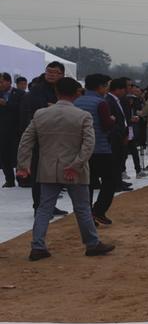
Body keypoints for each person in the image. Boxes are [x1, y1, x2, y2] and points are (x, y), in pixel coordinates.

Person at [16, 77, 115, 261]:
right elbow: (88, 145)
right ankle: (92, 244)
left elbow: (26, 141)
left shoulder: (41, 114)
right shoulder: (83, 116)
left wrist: (23, 165)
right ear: (76, 93)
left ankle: (38, 246)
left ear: (57, 92)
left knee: (44, 208)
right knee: (82, 208)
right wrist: (76, 165)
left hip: (48, 169)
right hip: (74, 169)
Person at [20, 61, 67, 213]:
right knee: (39, 174)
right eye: (49, 72)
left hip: (58, 137)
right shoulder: (37, 89)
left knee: (53, 174)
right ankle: (38, 207)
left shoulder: (62, 88)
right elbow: (39, 111)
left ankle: (49, 205)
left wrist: (53, 106)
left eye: (55, 72)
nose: (51, 75)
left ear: (62, 74)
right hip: (41, 137)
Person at [74, 74, 119, 225]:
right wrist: (112, 120)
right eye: (106, 85)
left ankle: (87, 217)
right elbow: (106, 125)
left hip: (81, 150)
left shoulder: (77, 102)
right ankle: (99, 211)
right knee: (110, 181)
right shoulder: (101, 103)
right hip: (100, 148)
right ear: (100, 86)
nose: (107, 89)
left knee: (87, 184)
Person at [0, 72, 26, 187]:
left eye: (1, 82)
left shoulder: (20, 94)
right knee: (4, 155)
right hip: (2, 130)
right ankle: (9, 180)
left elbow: (22, 109)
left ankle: (22, 178)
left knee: (18, 155)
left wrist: (6, 104)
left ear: (9, 82)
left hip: (16, 130)